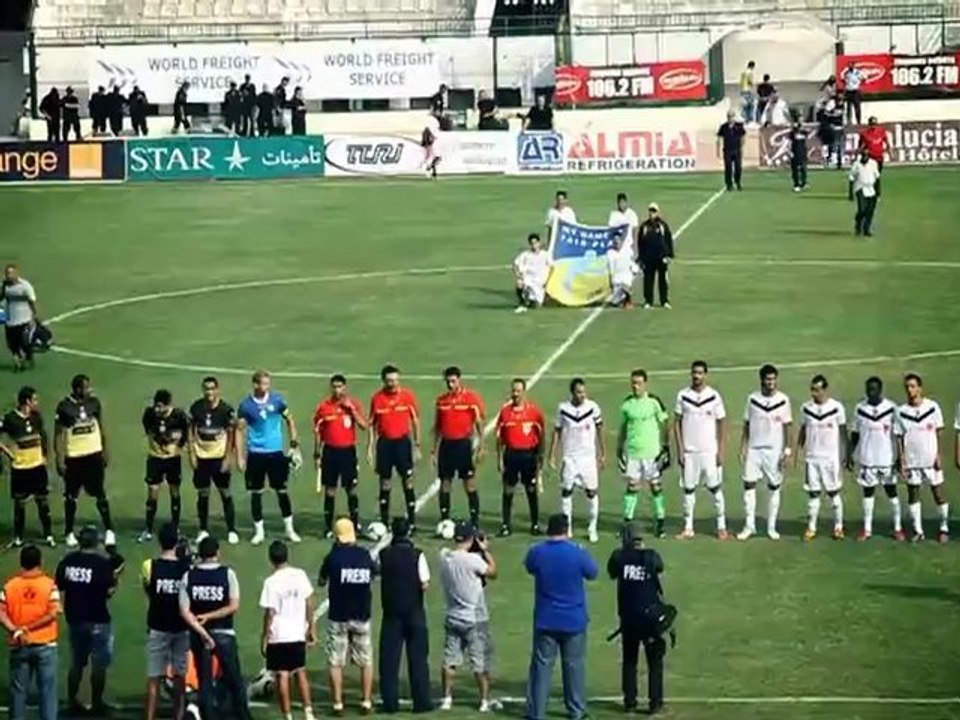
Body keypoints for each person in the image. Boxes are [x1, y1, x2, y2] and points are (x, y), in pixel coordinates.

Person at [524, 513, 597, 720]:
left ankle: (536, 712)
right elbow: (593, 573)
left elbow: (530, 567)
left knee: (541, 667)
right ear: (566, 529)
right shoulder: (577, 553)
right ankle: (576, 710)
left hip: (546, 619)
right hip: (573, 619)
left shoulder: (537, 552)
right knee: (574, 666)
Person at [179, 536, 253, 720]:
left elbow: (184, 611)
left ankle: (209, 716)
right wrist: (212, 616)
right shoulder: (228, 574)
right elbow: (233, 606)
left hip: (199, 636)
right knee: (234, 679)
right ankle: (242, 715)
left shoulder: (189, 576)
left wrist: (202, 629)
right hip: (224, 633)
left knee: (205, 681)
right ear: (217, 553)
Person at [606, 522, 672, 715]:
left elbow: (612, 572)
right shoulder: (651, 557)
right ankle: (655, 703)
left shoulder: (619, 557)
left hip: (628, 618)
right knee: (655, 663)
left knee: (629, 660)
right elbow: (659, 568)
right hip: (650, 619)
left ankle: (630, 702)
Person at [56, 525, 121, 716]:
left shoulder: (68, 562)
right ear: (97, 542)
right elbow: (108, 592)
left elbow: (60, 586)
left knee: (77, 662)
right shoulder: (102, 564)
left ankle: (72, 700)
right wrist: (116, 581)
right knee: (99, 664)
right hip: (98, 618)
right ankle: (97, 702)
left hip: (75, 618)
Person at [236, 370, 302, 545]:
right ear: (255, 384)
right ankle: (259, 531)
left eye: (268, 383)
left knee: (282, 491)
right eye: (263, 384)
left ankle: (289, 529)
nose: (266, 387)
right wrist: (241, 457)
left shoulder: (277, 401)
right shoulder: (246, 406)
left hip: (276, 453)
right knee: (256, 493)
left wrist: (294, 445)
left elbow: (290, 420)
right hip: (256, 454)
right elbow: (239, 430)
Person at [319, 517, 377, 714]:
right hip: (361, 615)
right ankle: (366, 700)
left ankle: (337, 703)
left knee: (336, 662)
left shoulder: (332, 557)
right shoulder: (364, 555)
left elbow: (321, 579)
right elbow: (375, 573)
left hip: (338, 616)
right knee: (366, 661)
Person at [439, 521, 499, 712]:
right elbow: (493, 572)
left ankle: (447, 698)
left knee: (450, 660)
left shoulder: (445, 557)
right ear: (471, 539)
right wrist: (485, 550)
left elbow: (450, 554)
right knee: (480, 662)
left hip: (453, 615)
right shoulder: (473, 561)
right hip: (474, 618)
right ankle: (483, 701)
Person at [378, 517, 432, 714]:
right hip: (414, 611)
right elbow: (425, 583)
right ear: (408, 532)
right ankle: (422, 701)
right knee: (418, 659)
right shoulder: (417, 554)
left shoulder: (384, 554)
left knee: (389, 660)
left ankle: (390, 703)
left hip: (391, 612)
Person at [55, 374, 116, 548]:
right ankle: (68, 532)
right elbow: (58, 434)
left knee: (100, 493)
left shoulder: (94, 403)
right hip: (74, 457)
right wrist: (60, 459)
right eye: (86, 387)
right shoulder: (64, 407)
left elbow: (101, 426)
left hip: (94, 455)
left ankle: (110, 530)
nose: (89, 390)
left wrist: (105, 449)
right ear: (77, 389)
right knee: (71, 496)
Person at [0, 545, 60, 720]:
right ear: (40, 562)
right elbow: (52, 613)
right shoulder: (49, 585)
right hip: (45, 645)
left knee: (18, 692)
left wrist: (16, 630)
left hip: (19, 645)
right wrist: (30, 628)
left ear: (21, 562)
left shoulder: (10, 586)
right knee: (47, 693)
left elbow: (1, 612)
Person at [259, 541, 316, 720]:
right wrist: (311, 626)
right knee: (300, 671)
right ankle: (308, 712)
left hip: (279, 635)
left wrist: (265, 636)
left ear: (271, 559)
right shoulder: (300, 575)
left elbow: (270, 612)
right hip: (297, 632)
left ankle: (288, 715)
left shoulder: (271, 582)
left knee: (282, 675)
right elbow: (309, 602)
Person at [141, 523, 191, 720]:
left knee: (153, 678)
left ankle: (149, 717)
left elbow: (149, 591)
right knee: (180, 676)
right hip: (180, 626)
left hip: (157, 625)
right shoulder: (185, 567)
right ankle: (178, 716)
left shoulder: (149, 565)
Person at [737, 364, 792, 541]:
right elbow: (747, 424)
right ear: (762, 380)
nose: (771, 382)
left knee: (774, 486)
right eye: (768, 379)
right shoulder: (752, 399)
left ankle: (771, 527)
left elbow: (788, 426)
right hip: (754, 448)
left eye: (773, 379)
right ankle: (749, 526)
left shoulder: (783, 400)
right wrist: (742, 447)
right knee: (749, 485)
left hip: (774, 450)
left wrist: (787, 450)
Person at [674, 361, 728, 540]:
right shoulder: (683, 395)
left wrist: (721, 450)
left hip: (709, 452)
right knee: (688, 490)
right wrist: (680, 449)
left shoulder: (713, 396)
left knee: (715, 489)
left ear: (706, 374)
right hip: (690, 452)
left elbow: (722, 423)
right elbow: (676, 423)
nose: (697, 376)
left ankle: (721, 527)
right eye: (694, 373)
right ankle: (688, 527)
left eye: (700, 373)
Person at [549, 378, 605, 541]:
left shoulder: (592, 407)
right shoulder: (563, 409)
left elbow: (600, 429)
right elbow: (557, 431)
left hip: (587, 458)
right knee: (566, 492)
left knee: (592, 493)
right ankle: (568, 528)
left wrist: (603, 453)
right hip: (570, 458)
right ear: (572, 392)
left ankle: (592, 528)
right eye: (579, 392)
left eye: (584, 392)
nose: (582, 395)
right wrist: (552, 454)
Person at [847, 377, 902, 541]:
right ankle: (867, 529)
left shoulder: (891, 408)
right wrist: (850, 453)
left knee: (892, 494)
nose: (871, 392)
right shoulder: (860, 408)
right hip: (867, 459)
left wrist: (900, 457)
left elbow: (899, 434)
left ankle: (898, 528)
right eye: (868, 389)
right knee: (868, 493)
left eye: (874, 389)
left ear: (880, 389)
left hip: (887, 459)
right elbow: (855, 434)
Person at [895, 374, 949, 543]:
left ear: (920, 388)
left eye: (912, 386)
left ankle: (944, 528)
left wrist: (938, 455)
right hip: (912, 461)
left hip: (930, 459)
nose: (909, 390)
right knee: (913, 494)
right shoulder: (901, 411)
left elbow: (939, 432)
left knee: (938, 493)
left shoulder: (932, 407)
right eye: (907, 387)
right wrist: (902, 460)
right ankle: (918, 531)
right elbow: (899, 437)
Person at [314, 374, 369, 537]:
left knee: (351, 489)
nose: (337, 390)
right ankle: (327, 527)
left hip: (348, 452)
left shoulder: (353, 405)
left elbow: (364, 425)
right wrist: (317, 452)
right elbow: (318, 431)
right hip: (330, 452)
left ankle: (355, 523)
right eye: (334, 386)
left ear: (345, 388)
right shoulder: (324, 407)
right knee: (330, 490)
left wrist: (351, 409)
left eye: (340, 386)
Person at [368, 365, 421, 529]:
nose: (393, 384)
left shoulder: (407, 396)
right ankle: (384, 521)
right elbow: (371, 424)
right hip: (384, 444)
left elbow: (415, 421)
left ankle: (412, 521)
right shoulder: (377, 398)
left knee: (408, 481)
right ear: (384, 380)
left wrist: (417, 445)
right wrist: (370, 447)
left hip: (402, 443)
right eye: (390, 380)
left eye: (396, 380)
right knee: (384, 482)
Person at [617, 370, 669, 538]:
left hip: (652, 453)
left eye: (638, 383)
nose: (635, 386)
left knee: (655, 486)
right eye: (633, 382)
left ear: (645, 383)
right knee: (632, 486)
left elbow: (664, 423)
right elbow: (623, 428)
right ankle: (627, 523)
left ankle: (660, 523)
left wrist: (666, 446)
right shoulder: (627, 404)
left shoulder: (654, 402)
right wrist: (620, 447)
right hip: (633, 453)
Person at [795, 374, 848, 541]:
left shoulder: (836, 408)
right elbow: (803, 430)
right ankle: (811, 528)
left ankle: (838, 527)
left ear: (825, 390)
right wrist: (798, 451)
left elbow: (843, 433)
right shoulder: (806, 408)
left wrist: (845, 454)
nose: (814, 393)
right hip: (812, 458)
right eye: (812, 389)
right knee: (813, 494)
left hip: (830, 458)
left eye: (817, 390)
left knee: (833, 493)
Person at [1, 386, 55, 546]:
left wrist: (45, 455)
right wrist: (8, 453)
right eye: (35, 400)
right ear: (27, 401)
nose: (37, 403)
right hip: (21, 468)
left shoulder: (36, 417)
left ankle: (48, 535)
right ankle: (18, 537)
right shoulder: (11, 419)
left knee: (43, 501)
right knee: (20, 504)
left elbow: (42, 435)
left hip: (37, 466)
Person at [188, 376, 239, 545]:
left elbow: (231, 434)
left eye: (212, 388)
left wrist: (227, 458)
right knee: (203, 494)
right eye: (206, 389)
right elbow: (190, 430)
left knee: (225, 493)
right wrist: (192, 454)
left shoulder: (226, 410)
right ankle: (203, 530)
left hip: (219, 458)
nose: (209, 392)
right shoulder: (196, 408)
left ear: (217, 390)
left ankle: (231, 530)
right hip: (202, 458)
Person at [432, 367, 485, 528]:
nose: (450, 384)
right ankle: (445, 519)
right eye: (448, 381)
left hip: (463, 445)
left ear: (459, 380)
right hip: (446, 446)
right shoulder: (441, 401)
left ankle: (475, 520)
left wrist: (481, 445)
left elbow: (479, 423)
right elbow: (438, 427)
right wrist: (434, 450)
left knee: (469, 482)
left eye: (453, 381)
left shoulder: (470, 398)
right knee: (445, 482)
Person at [495, 378, 545, 536]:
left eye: (518, 391)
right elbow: (499, 439)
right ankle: (505, 525)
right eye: (513, 391)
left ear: (524, 391)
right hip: (511, 455)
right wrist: (499, 460)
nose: (515, 394)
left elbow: (541, 436)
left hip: (529, 455)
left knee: (531, 489)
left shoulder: (534, 412)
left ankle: (535, 524)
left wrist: (540, 457)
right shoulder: (505, 413)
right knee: (508, 490)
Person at [139, 390, 190, 542]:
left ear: (169, 405)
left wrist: (177, 447)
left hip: (173, 460)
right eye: (156, 406)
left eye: (160, 407)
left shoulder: (179, 416)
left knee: (174, 492)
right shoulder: (149, 414)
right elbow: (149, 431)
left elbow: (186, 434)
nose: (157, 410)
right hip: (155, 459)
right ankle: (148, 529)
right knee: (152, 493)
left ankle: (176, 526)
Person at [2, 264, 40, 372]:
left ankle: (28, 358)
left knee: (24, 342)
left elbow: (32, 301)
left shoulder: (25, 286)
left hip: (24, 319)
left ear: (16, 274)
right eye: (7, 273)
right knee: (12, 344)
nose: (8, 275)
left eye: (10, 273)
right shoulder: (4, 286)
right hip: (9, 320)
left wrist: (36, 314)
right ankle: (18, 360)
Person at [637, 202, 674, 309]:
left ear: (657, 212)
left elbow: (668, 239)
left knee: (663, 280)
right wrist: (641, 257)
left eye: (654, 211)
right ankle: (648, 300)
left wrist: (668, 255)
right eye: (650, 211)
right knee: (648, 279)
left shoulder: (663, 225)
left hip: (661, 257)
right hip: (648, 258)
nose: (651, 213)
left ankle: (664, 300)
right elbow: (640, 242)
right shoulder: (644, 226)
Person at [512, 232, 551, 314]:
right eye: (532, 243)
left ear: (539, 243)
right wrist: (519, 275)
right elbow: (515, 265)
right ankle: (522, 302)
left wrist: (548, 282)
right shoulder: (525, 255)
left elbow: (552, 268)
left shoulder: (545, 255)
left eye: (535, 243)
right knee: (520, 283)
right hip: (529, 280)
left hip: (539, 283)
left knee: (536, 305)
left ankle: (530, 300)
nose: (534, 245)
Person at [848, 150, 880, 237]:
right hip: (860, 188)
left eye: (867, 156)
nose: (865, 157)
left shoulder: (873, 164)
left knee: (870, 211)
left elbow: (877, 178)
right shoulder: (857, 164)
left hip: (871, 189)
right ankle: (858, 224)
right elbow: (851, 178)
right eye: (863, 155)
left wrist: (878, 193)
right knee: (862, 209)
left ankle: (866, 229)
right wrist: (850, 193)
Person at [605, 232, 638, 309]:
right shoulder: (610, 253)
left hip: (626, 276)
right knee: (615, 302)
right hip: (617, 278)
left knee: (625, 285)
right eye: (615, 241)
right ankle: (623, 295)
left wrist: (634, 270)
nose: (617, 243)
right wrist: (611, 280)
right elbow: (610, 268)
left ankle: (628, 298)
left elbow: (631, 263)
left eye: (618, 241)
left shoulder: (627, 251)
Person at [857, 116, 888, 197]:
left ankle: (875, 192)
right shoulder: (864, 134)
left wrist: (889, 151)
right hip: (870, 158)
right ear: (869, 124)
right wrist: (860, 152)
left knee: (877, 175)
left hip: (879, 157)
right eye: (871, 124)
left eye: (874, 124)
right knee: (872, 175)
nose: (873, 126)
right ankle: (875, 192)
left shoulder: (881, 132)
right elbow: (860, 145)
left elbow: (886, 142)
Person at [716, 111, 745, 191]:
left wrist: (741, 147)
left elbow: (743, 136)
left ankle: (738, 182)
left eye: (731, 116)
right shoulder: (723, 127)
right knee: (728, 168)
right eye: (729, 116)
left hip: (737, 150)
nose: (730, 118)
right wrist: (718, 150)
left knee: (738, 167)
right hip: (727, 151)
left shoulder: (739, 126)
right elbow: (719, 138)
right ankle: (729, 184)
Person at [788, 115, 809, 192]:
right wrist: (790, 152)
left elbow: (806, 134)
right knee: (795, 169)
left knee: (803, 168)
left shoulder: (804, 131)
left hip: (802, 151)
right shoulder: (793, 132)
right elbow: (790, 141)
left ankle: (803, 183)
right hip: (795, 151)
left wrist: (801, 128)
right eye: (800, 120)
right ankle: (796, 184)